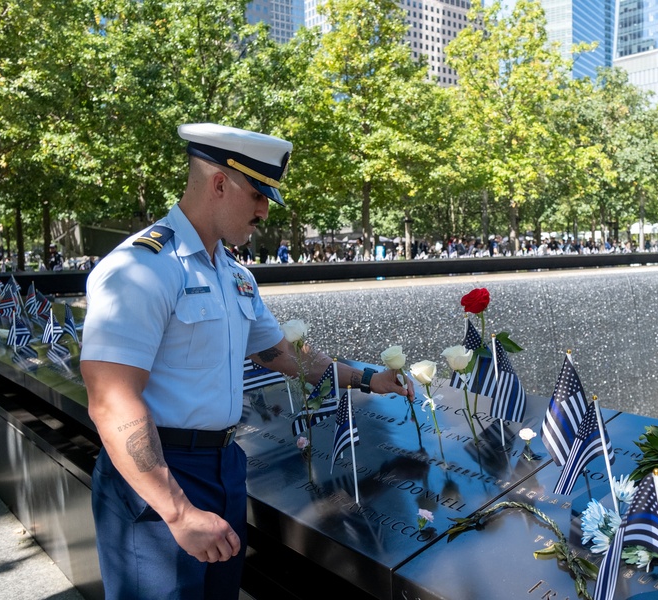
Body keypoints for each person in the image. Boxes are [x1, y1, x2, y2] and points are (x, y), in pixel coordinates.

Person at [79, 122, 413, 600]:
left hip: (225, 468)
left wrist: (367, 378)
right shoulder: (140, 268)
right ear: (219, 183)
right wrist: (177, 511)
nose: (264, 211)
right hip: (158, 477)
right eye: (258, 195)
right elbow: (112, 400)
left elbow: (282, 354)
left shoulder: (234, 276)